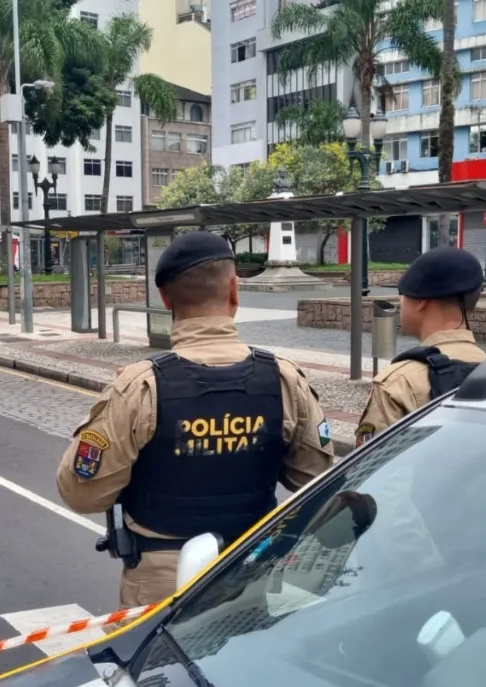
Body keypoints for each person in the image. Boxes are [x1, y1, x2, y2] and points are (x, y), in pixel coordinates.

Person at [56, 230, 338, 610]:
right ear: (235, 291)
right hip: (249, 573)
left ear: (165, 299)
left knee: (158, 670)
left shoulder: (140, 388)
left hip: (161, 585)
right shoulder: (285, 380)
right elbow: (319, 484)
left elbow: (82, 493)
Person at [355, 246, 486, 447]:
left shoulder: (399, 383)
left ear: (420, 302)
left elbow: (373, 471)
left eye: (402, 294)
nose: (400, 304)